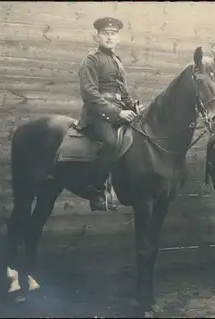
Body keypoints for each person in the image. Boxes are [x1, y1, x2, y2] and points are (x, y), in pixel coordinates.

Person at [77, 17, 139, 211]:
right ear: (97, 37)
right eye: (106, 33)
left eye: (113, 34)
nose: (110, 37)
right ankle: (95, 192)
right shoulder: (91, 60)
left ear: (118, 38)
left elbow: (123, 92)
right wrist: (118, 112)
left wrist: (135, 107)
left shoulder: (117, 61)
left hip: (117, 109)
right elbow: (90, 94)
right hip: (97, 113)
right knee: (110, 143)